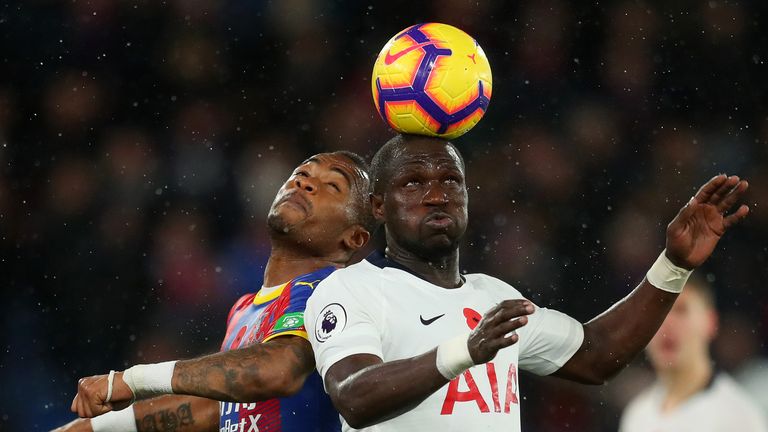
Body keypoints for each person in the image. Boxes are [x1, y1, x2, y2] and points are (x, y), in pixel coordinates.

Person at [304, 134, 750, 431]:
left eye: (450, 181)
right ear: (378, 206)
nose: (436, 194)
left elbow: (595, 356)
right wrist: (466, 351)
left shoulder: (496, 298)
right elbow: (353, 395)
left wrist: (673, 264)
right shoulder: (349, 290)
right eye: (413, 182)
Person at [56, 150, 373, 432]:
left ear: (354, 238)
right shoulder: (245, 308)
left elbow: (275, 372)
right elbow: (216, 407)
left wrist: (131, 381)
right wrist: (94, 427)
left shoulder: (330, 290)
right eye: (301, 174)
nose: (305, 183)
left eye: (332, 186)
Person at [619, 276, 768, 432]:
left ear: (710, 322)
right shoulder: (637, 415)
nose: (666, 324)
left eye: (681, 310)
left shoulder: (737, 418)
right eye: (655, 312)